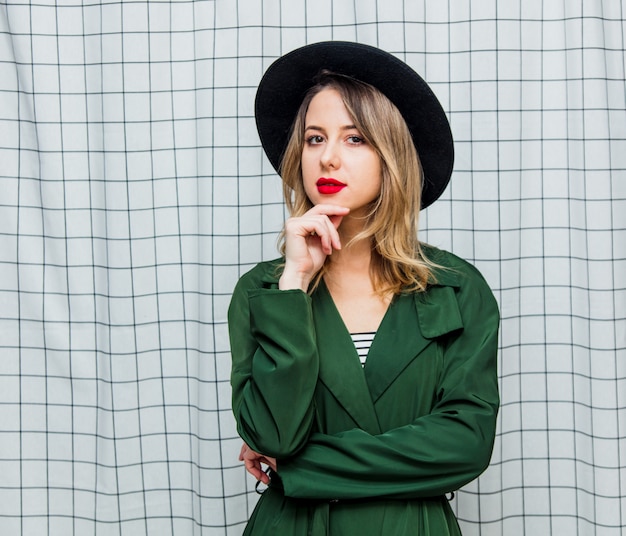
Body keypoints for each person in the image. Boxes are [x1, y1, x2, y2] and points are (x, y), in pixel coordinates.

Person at [228, 41, 499, 535]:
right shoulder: (263, 290)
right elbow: (272, 433)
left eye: (355, 139)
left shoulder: (456, 289)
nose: (328, 158)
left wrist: (299, 467)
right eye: (314, 139)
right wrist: (295, 282)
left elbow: (465, 445)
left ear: (391, 154)